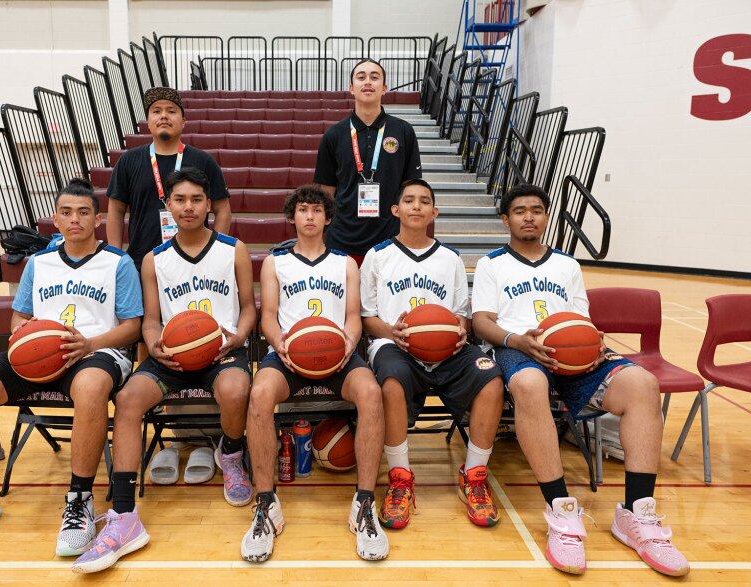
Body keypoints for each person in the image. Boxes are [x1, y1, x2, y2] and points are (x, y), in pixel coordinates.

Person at [471, 183, 689, 577]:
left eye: (536, 210)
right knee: (529, 385)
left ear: (546, 216)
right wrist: (516, 339)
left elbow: (582, 319)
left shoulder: (567, 265)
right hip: (519, 347)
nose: (528, 217)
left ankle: (638, 515)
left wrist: (591, 341)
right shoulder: (491, 264)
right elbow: (481, 321)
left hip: (574, 354)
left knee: (643, 384)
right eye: (520, 211)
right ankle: (561, 512)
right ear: (506, 220)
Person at [0, 179, 142, 557]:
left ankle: (79, 499)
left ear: (97, 219)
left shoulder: (118, 263)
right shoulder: (38, 263)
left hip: (94, 353)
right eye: (66, 212)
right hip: (38, 357)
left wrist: (89, 344)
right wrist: (24, 337)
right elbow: (20, 317)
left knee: (91, 388)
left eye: (83, 212)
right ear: (55, 220)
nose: (75, 219)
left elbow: (132, 326)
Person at [73, 168, 256, 574]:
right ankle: (123, 513)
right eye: (180, 200)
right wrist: (154, 342)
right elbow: (151, 320)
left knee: (236, 391)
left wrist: (238, 338)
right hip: (170, 356)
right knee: (127, 400)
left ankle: (230, 453)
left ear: (209, 205)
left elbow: (248, 308)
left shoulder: (234, 249)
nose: (188, 207)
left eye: (196, 200)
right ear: (168, 206)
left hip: (221, 351)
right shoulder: (154, 259)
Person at [240, 185, 388, 563]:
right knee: (258, 395)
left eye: (316, 210)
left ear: (327, 218)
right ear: (292, 217)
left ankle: (365, 502)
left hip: (337, 356)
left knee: (371, 393)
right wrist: (283, 345)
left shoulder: (345, 264)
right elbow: (268, 317)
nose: (309, 216)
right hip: (290, 356)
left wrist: (345, 348)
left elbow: (354, 318)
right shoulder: (276, 262)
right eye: (302, 210)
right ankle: (265, 504)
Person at [360, 179, 505, 530]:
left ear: (434, 212)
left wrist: (459, 332)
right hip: (394, 346)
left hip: (446, 350)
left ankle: (473, 475)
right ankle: (400, 478)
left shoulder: (451, 258)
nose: (416, 206)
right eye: (408, 200)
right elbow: (367, 317)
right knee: (391, 382)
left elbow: (461, 314)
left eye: (424, 201)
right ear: (395, 210)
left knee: (492, 378)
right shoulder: (377, 256)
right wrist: (390, 332)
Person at [107, 87, 231, 271]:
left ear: (183, 121)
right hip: (141, 263)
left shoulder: (203, 161)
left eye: (171, 111)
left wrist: (212, 251)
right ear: (148, 122)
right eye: (156, 111)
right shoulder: (128, 161)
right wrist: (116, 258)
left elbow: (222, 209)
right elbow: (116, 211)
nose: (164, 116)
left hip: (193, 263)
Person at [314, 58, 422, 261]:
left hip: (391, 240)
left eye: (374, 77)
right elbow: (326, 193)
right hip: (342, 240)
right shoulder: (334, 135)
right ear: (351, 88)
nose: (368, 82)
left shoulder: (403, 131)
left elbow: (411, 188)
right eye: (361, 77)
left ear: (384, 88)